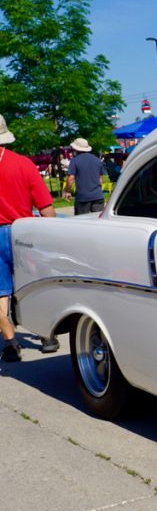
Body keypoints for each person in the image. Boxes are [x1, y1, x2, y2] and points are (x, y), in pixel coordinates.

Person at [0, 114, 57, 362]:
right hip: (24, 231)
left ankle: (11, 343)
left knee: (1, 292)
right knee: (35, 286)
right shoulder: (23, 164)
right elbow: (46, 207)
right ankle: (47, 335)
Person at [64, 137, 105, 214]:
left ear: (76, 149)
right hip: (98, 196)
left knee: (81, 222)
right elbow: (100, 179)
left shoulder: (75, 160)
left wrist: (68, 191)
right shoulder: (97, 160)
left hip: (83, 197)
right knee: (98, 222)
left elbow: (71, 178)